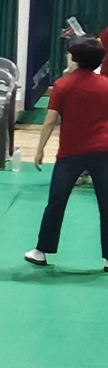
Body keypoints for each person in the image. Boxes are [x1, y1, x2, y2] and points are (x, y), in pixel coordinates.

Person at [25, 33, 108, 271]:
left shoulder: (63, 86)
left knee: (56, 202)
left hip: (70, 154)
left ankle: (41, 251)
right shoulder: (106, 84)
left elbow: (50, 120)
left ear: (75, 59)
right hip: (103, 151)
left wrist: (40, 149)